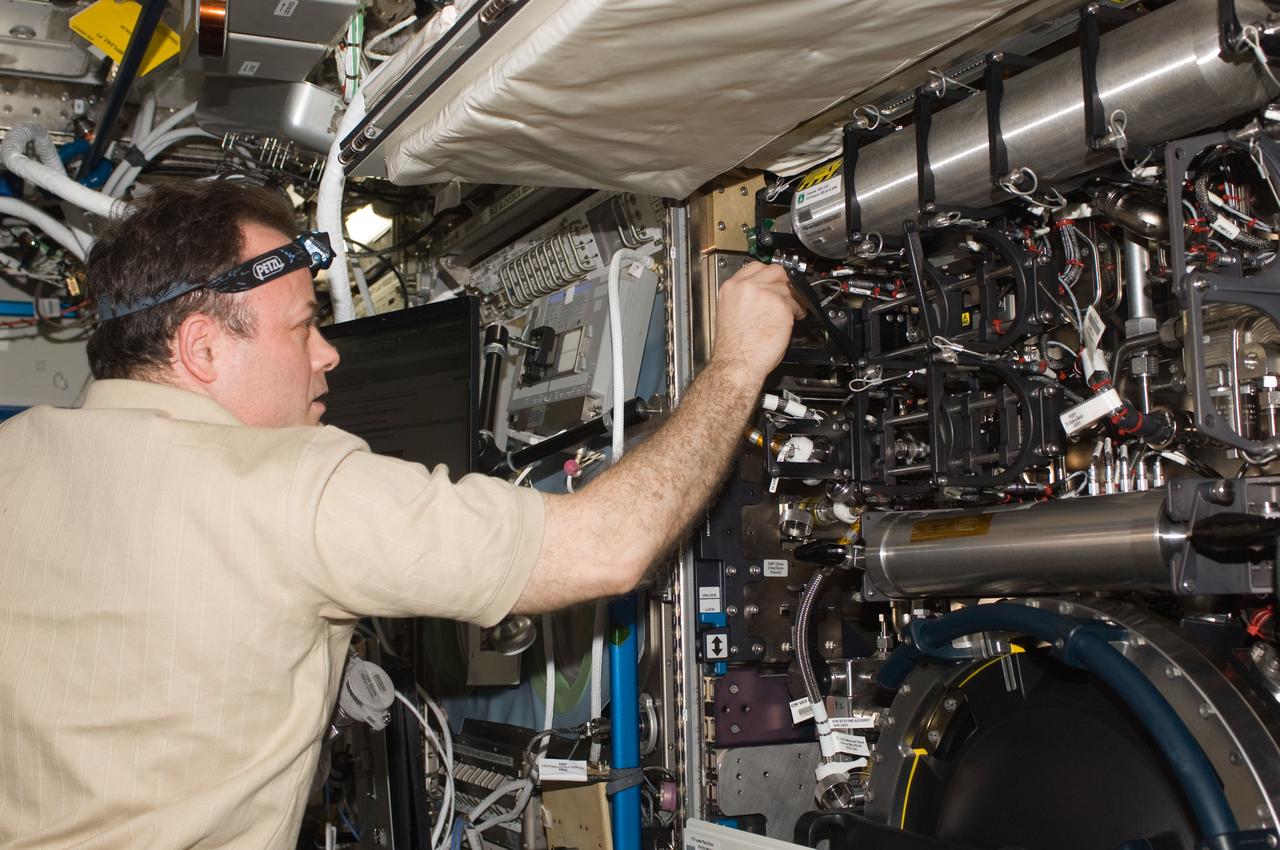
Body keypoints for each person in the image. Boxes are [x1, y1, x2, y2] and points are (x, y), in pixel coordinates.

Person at [0, 180, 801, 848]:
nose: (328, 355)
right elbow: (606, 547)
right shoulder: (286, 484)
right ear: (204, 348)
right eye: (304, 327)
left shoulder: (17, 455)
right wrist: (736, 363)